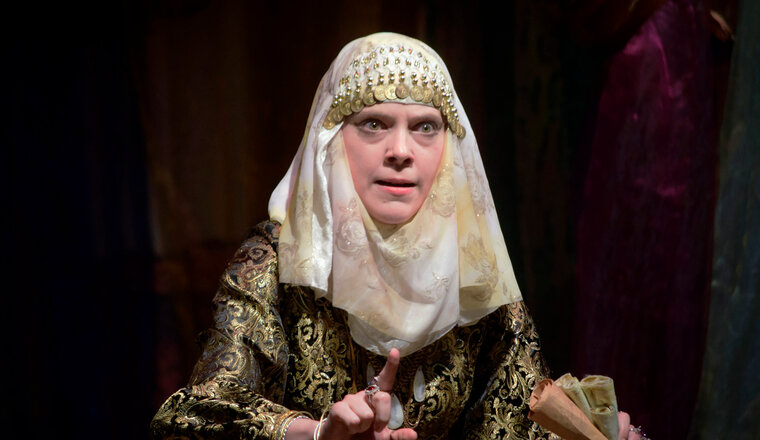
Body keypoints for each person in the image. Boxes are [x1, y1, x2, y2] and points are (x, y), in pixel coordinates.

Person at [150, 32, 641, 440]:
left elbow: (511, 423)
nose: (401, 150)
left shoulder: (473, 267)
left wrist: (589, 434)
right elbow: (192, 420)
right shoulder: (275, 260)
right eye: (373, 124)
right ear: (329, 141)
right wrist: (318, 434)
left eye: (425, 127)